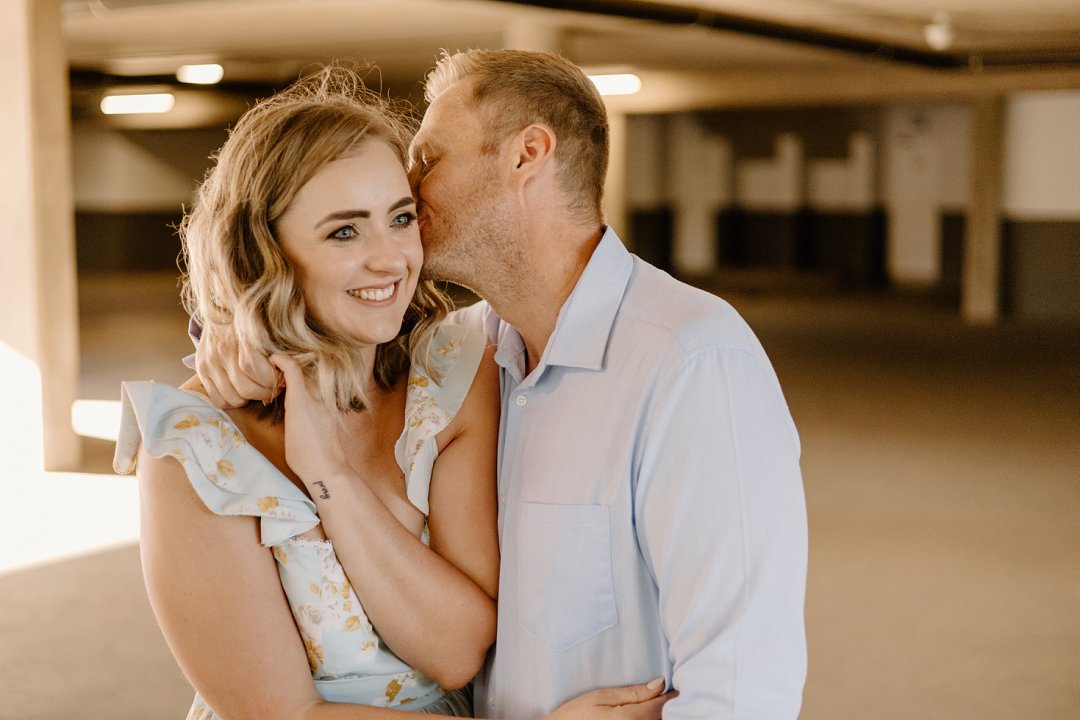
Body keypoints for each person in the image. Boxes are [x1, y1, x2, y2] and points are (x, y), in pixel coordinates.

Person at [197, 50, 808, 719]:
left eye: (429, 159)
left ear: (527, 156)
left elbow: (742, 687)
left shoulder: (691, 362)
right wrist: (232, 332)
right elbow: (318, 314)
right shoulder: (458, 354)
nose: (408, 186)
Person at [115, 66, 671, 720]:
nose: (391, 259)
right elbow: (285, 715)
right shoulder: (191, 449)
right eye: (344, 231)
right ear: (265, 251)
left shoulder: (452, 375)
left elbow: (458, 650)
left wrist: (329, 475)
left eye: (400, 218)